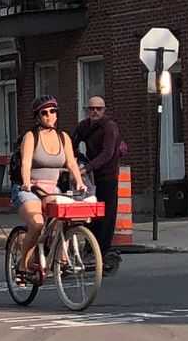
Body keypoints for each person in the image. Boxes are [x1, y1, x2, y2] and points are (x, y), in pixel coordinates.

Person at [12, 94, 92, 269]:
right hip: (29, 188)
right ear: (38, 116)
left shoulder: (63, 137)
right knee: (37, 224)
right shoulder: (31, 136)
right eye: (44, 112)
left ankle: (60, 258)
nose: (49, 115)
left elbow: (71, 162)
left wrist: (79, 182)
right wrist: (26, 181)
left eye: (52, 111)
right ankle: (23, 265)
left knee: (68, 216)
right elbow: (25, 162)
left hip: (51, 189)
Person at [75, 91, 128, 272]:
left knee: (106, 215)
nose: (95, 112)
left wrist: (86, 168)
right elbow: (72, 142)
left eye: (98, 109)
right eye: (91, 109)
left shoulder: (109, 127)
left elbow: (107, 154)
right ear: (87, 110)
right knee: (90, 213)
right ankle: (90, 248)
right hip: (90, 178)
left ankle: (103, 250)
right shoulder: (84, 126)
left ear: (104, 110)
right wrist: (73, 160)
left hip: (107, 176)